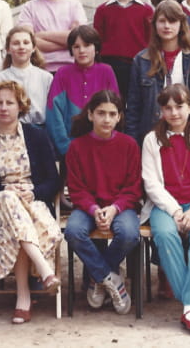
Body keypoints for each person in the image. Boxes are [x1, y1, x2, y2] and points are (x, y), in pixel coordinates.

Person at [0, 81, 62, 324]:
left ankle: (23, 297)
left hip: (31, 204)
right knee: (9, 199)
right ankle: (45, 270)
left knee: (20, 225)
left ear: (20, 106)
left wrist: (34, 192)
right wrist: (4, 189)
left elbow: (53, 181)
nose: (3, 108)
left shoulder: (37, 137)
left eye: (9, 102)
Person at [141, 84, 190, 334]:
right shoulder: (152, 141)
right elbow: (151, 183)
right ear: (161, 111)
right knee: (164, 234)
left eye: (179, 106)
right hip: (165, 206)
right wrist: (175, 211)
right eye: (168, 108)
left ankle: (189, 306)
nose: (174, 113)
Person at [63, 90, 142, 315]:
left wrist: (114, 208)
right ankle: (110, 278)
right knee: (73, 231)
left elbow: (134, 187)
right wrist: (94, 209)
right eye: (101, 113)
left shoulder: (129, 145)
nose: (106, 119)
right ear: (90, 115)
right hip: (87, 207)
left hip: (121, 206)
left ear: (119, 117)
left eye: (112, 114)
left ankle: (97, 279)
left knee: (129, 233)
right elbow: (76, 188)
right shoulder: (77, 147)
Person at [125, 0, 190, 150]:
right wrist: (134, 145)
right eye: (162, 21)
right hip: (153, 136)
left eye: (172, 21)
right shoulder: (142, 60)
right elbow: (133, 108)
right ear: (155, 24)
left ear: (181, 24)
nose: (167, 26)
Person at [46, 25, 119, 160]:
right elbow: (53, 112)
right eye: (76, 46)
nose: (81, 51)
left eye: (87, 45)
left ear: (96, 48)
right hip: (70, 149)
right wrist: (65, 148)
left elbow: (115, 109)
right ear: (71, 50)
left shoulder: (106, 71)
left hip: (101, 147)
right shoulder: (62, 74)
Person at [92, 0, 153, 99]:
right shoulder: (102, 10)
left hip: (138, 65)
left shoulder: (146, 10)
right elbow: (96, 42)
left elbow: (151, 41)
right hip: (110, 66)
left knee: (136, 102)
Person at [17, 0, 87, 73]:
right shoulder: (29, 7)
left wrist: (41, 35)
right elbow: (28, 41)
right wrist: (67, 42)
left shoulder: (74, 5)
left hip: (72, 70)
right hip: (39, 71)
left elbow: (79, 39)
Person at [0, 25, 53, 132]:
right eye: (16, 43)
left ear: (33, 48)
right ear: (8, 49)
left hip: (40, 131)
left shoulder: (46, 77)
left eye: (26, 42)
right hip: (8, 132)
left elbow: (52, 112)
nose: (21, 47)